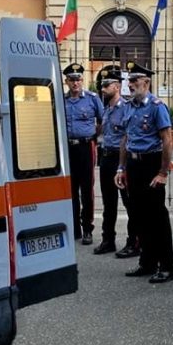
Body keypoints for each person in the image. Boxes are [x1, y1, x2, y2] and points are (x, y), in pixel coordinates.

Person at [114, 62, 173, 283]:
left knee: (157, 217)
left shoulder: (157, 106)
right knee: (139, 216)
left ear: (146, 82)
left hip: (151, 163)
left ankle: (167, 266)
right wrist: (121, 167)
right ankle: (147, 262)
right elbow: (125, 138)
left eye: (135, 81)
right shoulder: (129, 106)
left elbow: (167, 139)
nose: (130, 85)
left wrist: (163, 172)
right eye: (129, 81)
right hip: (134, 164)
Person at [93, 65, 137, 256]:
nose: (103, 89)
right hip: (106, 158)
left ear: (117, 87)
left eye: (107, 85)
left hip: (123, 160)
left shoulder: (126, 108)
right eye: (102, 85)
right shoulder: (106, 109)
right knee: (108, 202)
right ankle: (108, 239)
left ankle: (133, 242)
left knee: (129, 202)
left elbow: (129, 135)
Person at [63, 62, 103, 245]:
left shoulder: (92, 99)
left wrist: (94, 135)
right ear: (66, 81)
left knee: (87, 189)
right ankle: (74, 229)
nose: (75, 83)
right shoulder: (61, 100)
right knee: (70, 190)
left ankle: (87, 228)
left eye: (78, 79)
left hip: (86, 147)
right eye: (72, 80)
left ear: (82, 80)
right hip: (67, 148)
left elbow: (104, 120)